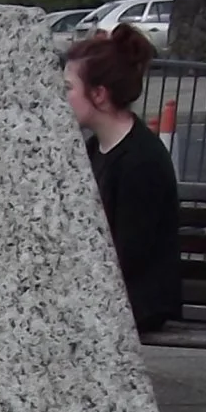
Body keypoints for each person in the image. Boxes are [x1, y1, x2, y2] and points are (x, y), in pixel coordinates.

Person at [62, 24, 181, 331]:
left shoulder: (142, 160)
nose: (61, 98)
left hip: (137, 301)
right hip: (105, 293)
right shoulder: (93, 149)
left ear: (99, 94)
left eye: (68, 89)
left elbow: (128, 254)